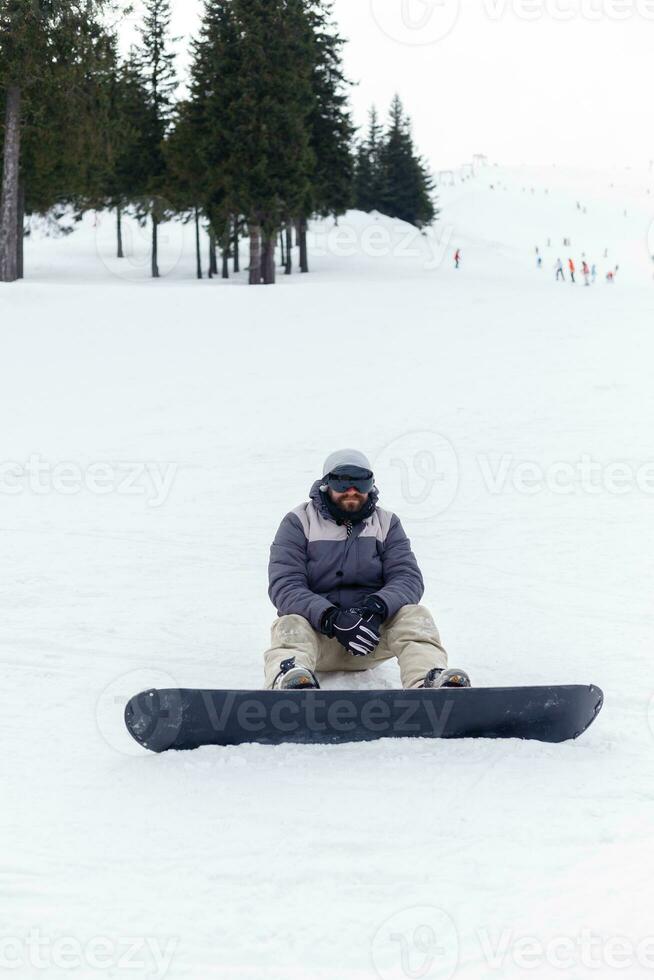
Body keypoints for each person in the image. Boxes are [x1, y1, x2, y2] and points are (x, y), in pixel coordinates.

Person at [264, 449, 470, 691]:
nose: (352, 491)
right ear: (326, 484)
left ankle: (428, 680)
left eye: (361, 482)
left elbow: (407, 577)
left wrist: (377, 609)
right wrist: (331, 617)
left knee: (415, 615)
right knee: (290, 623)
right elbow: (285, 585)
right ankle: (289, 681)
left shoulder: (386, 523)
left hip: (371, 637)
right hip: (318, 641)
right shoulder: (299, 522)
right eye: (342, 482)